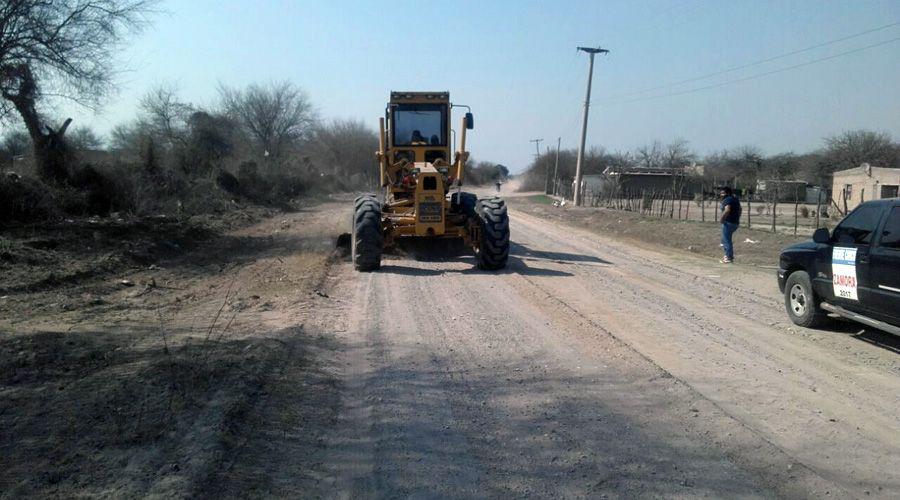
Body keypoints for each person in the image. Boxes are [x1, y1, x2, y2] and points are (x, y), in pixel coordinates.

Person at [718, 186, 742, 263]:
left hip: (728, 222)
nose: (721, 195)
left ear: (728, 193)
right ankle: (726, 255)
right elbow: (740, 209)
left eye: (723, 193)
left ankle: (728, 257)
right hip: (735, 223)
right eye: (721, 193)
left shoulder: (727, 199)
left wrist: (722, 219)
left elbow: (727, 210)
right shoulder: (735, 199)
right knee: (725, 239)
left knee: (726, 240)